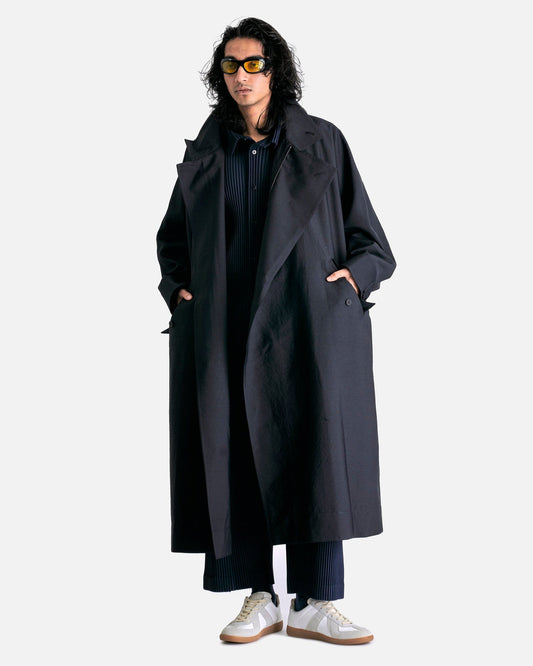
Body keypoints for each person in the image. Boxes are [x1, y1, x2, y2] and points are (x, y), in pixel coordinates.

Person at [156, 17, 396, 645]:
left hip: (306, 323)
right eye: (230, 65)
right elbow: (173, 239)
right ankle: (258, 597)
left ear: (274, 69)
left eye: (253, 64)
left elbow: (371, 240)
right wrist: (179, 292)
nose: (241, 76)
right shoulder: (207, 153)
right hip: (226, 323)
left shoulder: (322, 142)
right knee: (234, 448)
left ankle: (316, 601)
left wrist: (350, 282)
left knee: (314, 451)